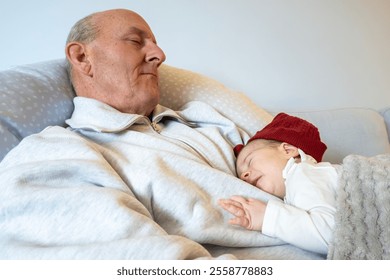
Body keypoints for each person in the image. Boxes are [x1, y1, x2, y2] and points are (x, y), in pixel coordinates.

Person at [0, 9, 285, 260]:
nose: (160, 56)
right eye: (136, 42)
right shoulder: (57, 151)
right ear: (82, 56)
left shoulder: (206, 120)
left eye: (156, 45)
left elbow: (302, 172)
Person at [218, 113, 339, 255]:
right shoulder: (295, 186)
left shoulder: (302, 172)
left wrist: (266, 217)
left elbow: (333, 238)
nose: (244, 176)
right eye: (241, 176)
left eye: (250, 162)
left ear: (288, 150)